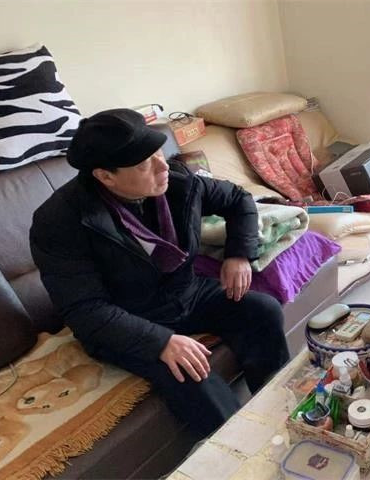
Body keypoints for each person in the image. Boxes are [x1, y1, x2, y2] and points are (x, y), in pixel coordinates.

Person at [30, 109, 290, 436]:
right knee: (191, 373)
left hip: (186, 292)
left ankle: (278, 415)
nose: (162, 166)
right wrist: (160, 341)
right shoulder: (60, 221)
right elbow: (85, 310)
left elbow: (238, 200)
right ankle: (237, 449)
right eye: (145, 164)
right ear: (105, 177)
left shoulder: (178, 181)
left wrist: (238, 254)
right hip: (127, 317)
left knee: (262, 310)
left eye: (158, 153)